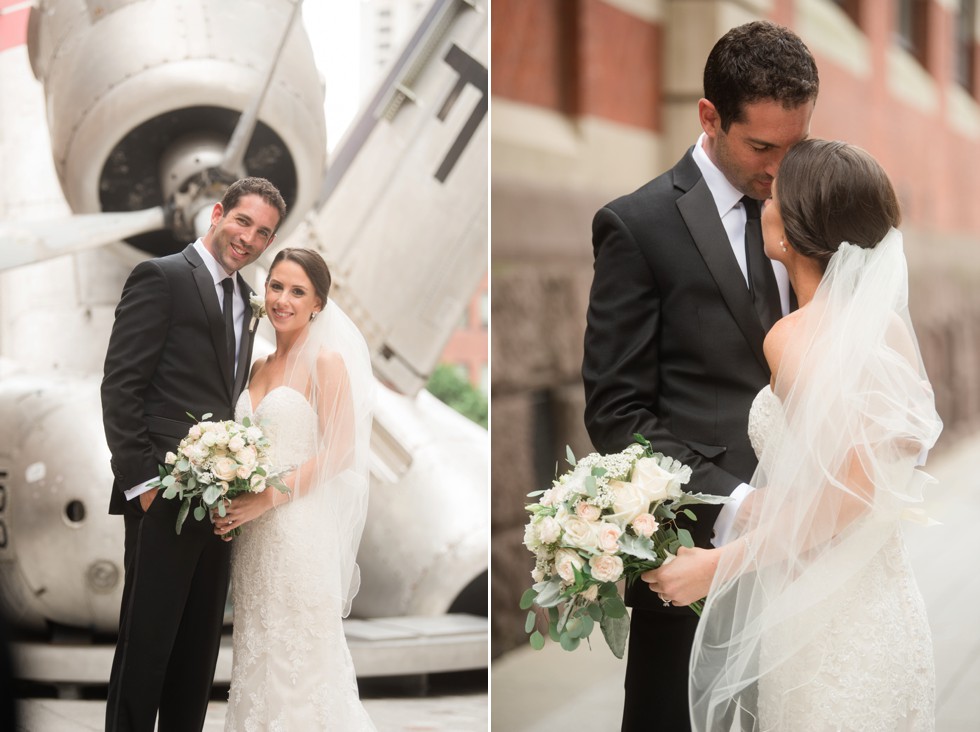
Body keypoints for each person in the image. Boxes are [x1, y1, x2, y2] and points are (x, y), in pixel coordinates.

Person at [645, 139, 942, 730]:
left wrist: (715, 565)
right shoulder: (886, 329)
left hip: (824, 624)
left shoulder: (796, 337)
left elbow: (845, 496)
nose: (765, 204)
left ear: (797, 227)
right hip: (884, 608)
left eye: (776, 195)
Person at [581, 21, 818, 731]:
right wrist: (736, 504)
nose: (780, 169)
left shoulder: (810, 211)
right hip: (692, 548)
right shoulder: (637, 225)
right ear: (709, 117)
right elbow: (617, 414)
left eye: (795, 146)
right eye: (762, 148)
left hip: (808, 554)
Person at [102, 177, 286, 731]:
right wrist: (145, 487)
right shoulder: (160, 278)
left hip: (219, 502)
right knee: (146, 650)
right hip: (163, 497)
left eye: (263, 233)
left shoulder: (247, 299)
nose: (249, 238)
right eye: (243, 222)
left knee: (198, 655)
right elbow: (120, 388)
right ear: (217, 213)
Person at [213, 248, 376, 730]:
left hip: (299, 534)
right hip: (253, 541)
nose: (283, 299)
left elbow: (341, 450)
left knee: (300, 672)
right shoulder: (257, 366)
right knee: (256, 664)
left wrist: (265, 498)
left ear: (318, 304)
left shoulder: (325, 362)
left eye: (297, 291)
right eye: (276, 286)